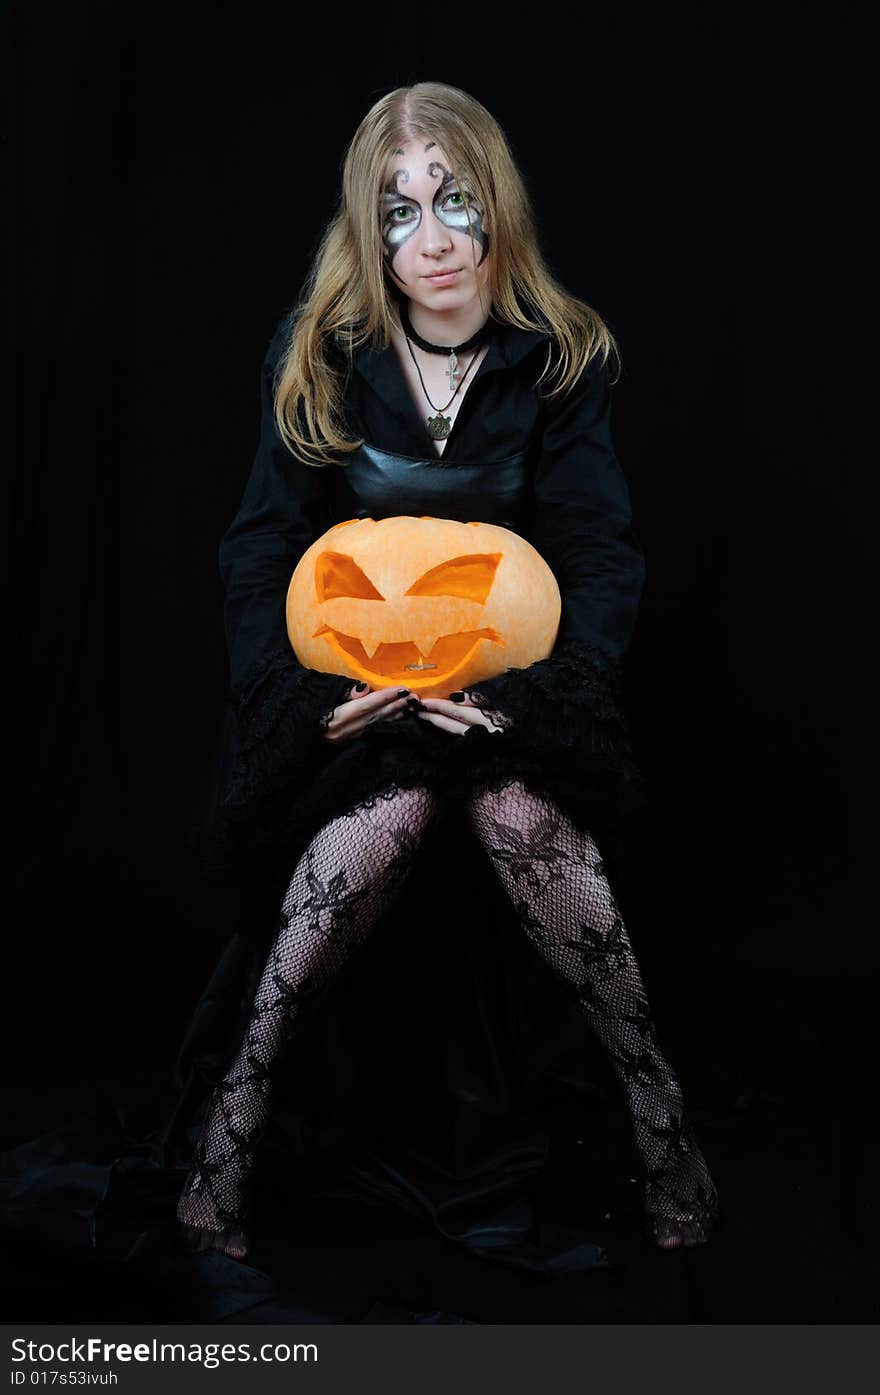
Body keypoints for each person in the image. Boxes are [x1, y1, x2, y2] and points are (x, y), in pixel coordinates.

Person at [174, 81, 719, 1265]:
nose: (431, 242)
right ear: (369, 233)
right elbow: (259, 544)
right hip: (356, 690)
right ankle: (238, 1111)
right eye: (400, 212)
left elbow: (597, 553)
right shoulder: (325, 349)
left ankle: (658, 1113)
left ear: (495, 211)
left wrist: (532, 698)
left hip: (499, 688)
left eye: (454, 203)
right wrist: (306, 698)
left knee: (525, 814)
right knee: (386, 816)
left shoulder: (559, 358)